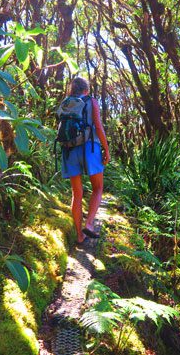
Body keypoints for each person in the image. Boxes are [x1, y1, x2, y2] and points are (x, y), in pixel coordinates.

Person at [59, 77, 110, 244]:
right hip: (90, 148)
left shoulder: (66, 103)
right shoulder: (91, 101)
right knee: (98, 187)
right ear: (86, 90)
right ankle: (89, 223)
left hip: (69, 149)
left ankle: (79, 236)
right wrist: (106, 149)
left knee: (77, 193)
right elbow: (99, 127)